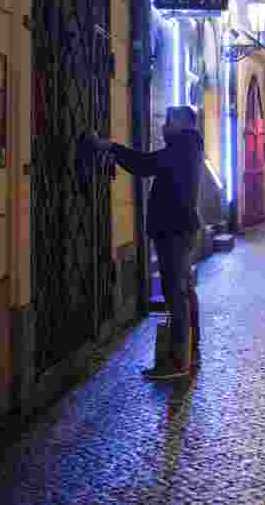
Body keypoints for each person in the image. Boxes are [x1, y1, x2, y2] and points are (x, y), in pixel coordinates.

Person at [84, 106, 204, 379]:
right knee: (185, 292)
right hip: (180, 230)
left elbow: (144, 164)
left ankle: (178, 362)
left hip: (174, 231)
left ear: (182, 124)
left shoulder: (182, 148)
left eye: (168, 122)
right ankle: (191, 352)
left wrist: (110, 147)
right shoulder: (188, 147)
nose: (164, 126)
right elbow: (149, 163)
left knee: (176, 296)